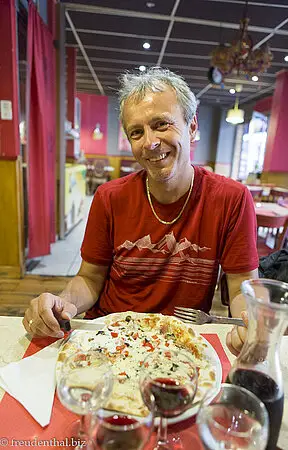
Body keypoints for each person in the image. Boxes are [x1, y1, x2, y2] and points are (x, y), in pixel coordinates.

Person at [23, 67, 259, 355]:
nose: (150, 142)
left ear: (192, 127)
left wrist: (251, 322)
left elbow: (240, 287)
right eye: (137, 132)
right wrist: (64, 302)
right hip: (108, 335)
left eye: (161, 124)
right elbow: (90, 278)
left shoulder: (232, 199)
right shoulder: (110, 197)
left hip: (181, 343)